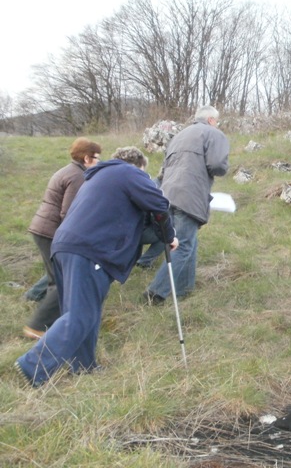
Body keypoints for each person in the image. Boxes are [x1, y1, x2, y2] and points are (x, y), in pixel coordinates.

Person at [15, 147, 178, 388]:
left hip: (66, 246)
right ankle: (34, 364)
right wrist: (169, 236)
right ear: (139, 166)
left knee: (82, 309)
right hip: (91, 249)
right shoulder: (130, 173)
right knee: (82, 314)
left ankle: (83, 366)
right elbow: (159, 205)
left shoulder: (99, 177)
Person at [144, 105, 230, 304]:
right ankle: (155, 293)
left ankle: (184, 288)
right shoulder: (213, 133)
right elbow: (218, 165)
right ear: (211, 120)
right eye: (216, 120)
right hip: (188, 195)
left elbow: (163, 170)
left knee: (187, 240)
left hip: (167, 195)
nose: (217, 124)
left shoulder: (179, 136)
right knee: (182, 246)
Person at [23, 137, 102, 340]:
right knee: (62, 281)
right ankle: (36, 327)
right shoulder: (77, 177)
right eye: (96, 158)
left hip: (43, 229)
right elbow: (68, 213)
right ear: (86, 158)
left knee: (55, 279)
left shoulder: (67, 170)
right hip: (50, 232)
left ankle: (48, 315)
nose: (98, 162)